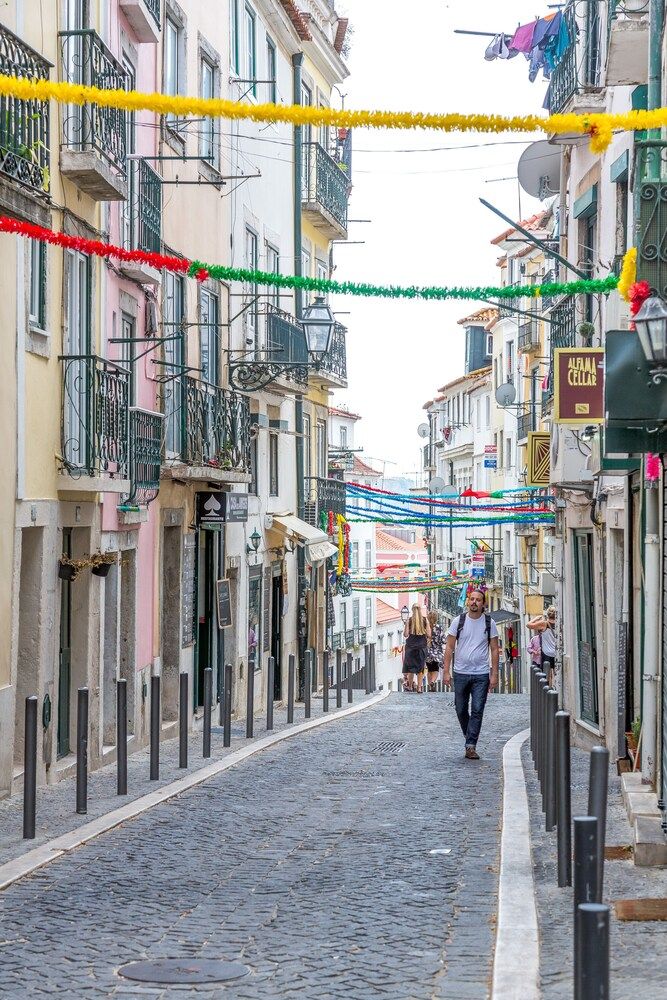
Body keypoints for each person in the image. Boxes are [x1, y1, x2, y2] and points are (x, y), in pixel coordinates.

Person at [443, 589, 499, 759]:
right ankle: (470, 737)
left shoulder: (490, 623)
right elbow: (450, 647)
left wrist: (494, 674)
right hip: (460, 672)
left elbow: (495, 649)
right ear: (468, 602)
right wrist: (446, 671)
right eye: (472, 599)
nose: (474, 602)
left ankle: (471, 745)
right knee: (460, 709)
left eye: (478, 600)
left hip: (481, 674)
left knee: (477, 709)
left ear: (483, 604)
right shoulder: (458, 621)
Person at [402, 604, 431, 692]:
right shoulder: (425, 620)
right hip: (422, 647)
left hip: (410, 647)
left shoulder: (409, 620)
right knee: (420, 668)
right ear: (420, 610)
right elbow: (429, 635)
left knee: (410, 668)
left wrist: (407, 625)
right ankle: (419, 687)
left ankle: (410, 686)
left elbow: (406, 635)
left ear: (412, 610)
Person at [528, 606, 557, 686]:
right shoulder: (559, 622)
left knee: (546, 675)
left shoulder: (544, 624)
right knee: (556, 675)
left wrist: (536, 618)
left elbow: (528, 625)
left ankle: (547, 691)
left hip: (546, 653)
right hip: (557, 653)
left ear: (547, 614)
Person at [426, 610, 445, 692]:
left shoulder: (425, 627)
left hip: (427, 652)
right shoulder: (439, 627)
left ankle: (430, 685)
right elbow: (443, 640)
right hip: (437, 652)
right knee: (435, 669)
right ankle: (433, 682)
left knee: (429, 670)